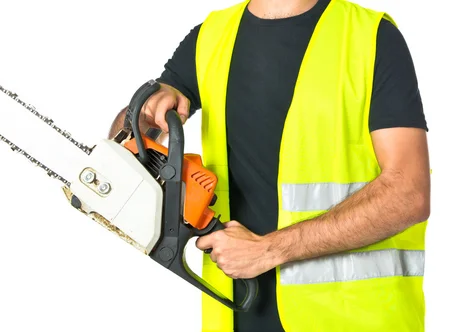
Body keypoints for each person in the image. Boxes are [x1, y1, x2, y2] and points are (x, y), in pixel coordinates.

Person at [108, 0, 431, 331]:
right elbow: (127, 145)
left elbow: (408, 193)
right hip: (238, 314)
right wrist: (142, 114)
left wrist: (269, 250)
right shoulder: (210, 37)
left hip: (351, 320)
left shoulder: (370, 37)